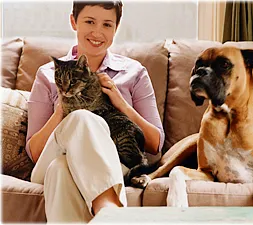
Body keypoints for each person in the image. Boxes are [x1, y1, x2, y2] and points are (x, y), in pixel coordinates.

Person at [26, 1, 164, 222]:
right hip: (49, 159)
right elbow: (34, 153)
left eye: (107, 25)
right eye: (89, 21)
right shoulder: (48, 74)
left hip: (114, 164)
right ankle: (109, 208)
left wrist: (120, 103)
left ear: (116, 28)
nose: (97, 32)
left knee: (61, 170)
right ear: (73, 22)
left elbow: (155, 144)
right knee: (81, 117)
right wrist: (65, 108)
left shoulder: (134, 73)